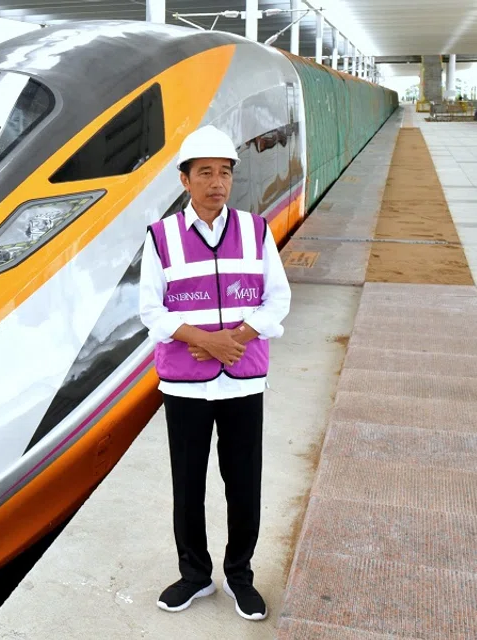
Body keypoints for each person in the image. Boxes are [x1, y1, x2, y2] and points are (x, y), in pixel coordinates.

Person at [138, 125, 291, 622]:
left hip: (244, 379)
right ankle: (195, 574)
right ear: (185, 180)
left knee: (243, 481)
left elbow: (278, 299)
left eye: (224, 172)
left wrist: (237, 338)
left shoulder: (256, 230)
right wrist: (204, 340)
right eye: (204, 172)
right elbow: (150, 311)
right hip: (184, 384)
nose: (216, 182)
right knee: (189, 482)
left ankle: (240, 575)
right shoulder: (161, 239)